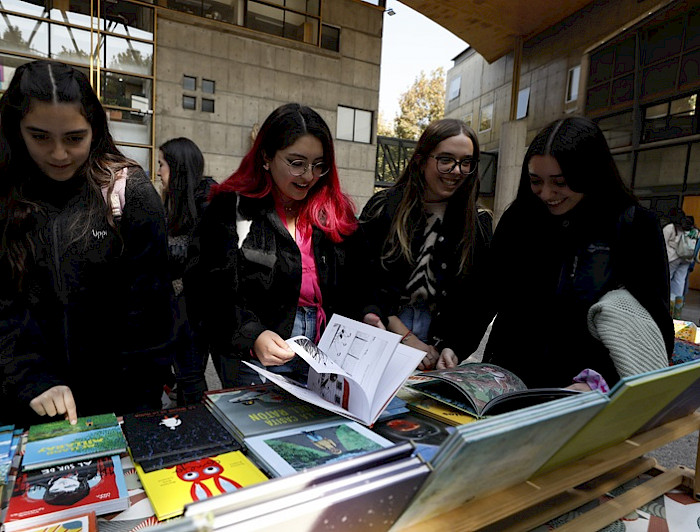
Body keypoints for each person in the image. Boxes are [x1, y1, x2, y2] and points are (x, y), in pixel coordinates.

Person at [0, 60, 174, 428]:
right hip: (24, 406)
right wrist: (29, 378)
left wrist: (141, 409)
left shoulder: (129, 193)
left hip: (119, 407)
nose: (59, 154)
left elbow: (152, 317)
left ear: (94, 128)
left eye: (74, 138)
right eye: (40, 136)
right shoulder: (6, 195)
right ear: (17, 130)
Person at [477, 116, 673, 389]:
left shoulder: (635, 226)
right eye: (536, 181)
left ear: (590, 174)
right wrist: (449, 342)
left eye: (560, 182)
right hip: (509, 384)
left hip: (584, 392)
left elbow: (652, 324)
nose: (546, 194)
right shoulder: (520, 218)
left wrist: (598, 381)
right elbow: (486, 290)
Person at [186, 103, 359, 387]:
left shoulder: (333, 211)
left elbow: (353, 285)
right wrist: (252, 334)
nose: (308, 176)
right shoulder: (233, 208)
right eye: (296, 163)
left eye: (319, 165)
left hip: (324, 350)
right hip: (257, 356)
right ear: (266, 157)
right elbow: (207, 288)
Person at [358, 118, 493, 370]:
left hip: (440, 341)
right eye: (446, 160)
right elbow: (360, 279)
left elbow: (479, 300)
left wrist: (454, 347)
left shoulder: (479, 223)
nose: (457, 170)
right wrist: (404, 336)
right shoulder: (383, 207)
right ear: (421, 160)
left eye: (467, 163)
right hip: (382, 330)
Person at [157, 137, 215, 405]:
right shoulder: (174, 205)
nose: (158, 172)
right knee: (184, 375)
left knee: (191, 376)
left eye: (162, 165)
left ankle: (195, 427)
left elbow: (205, 265)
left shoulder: (207, 206)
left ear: (177, 167)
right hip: (178, 309)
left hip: (196, 311)